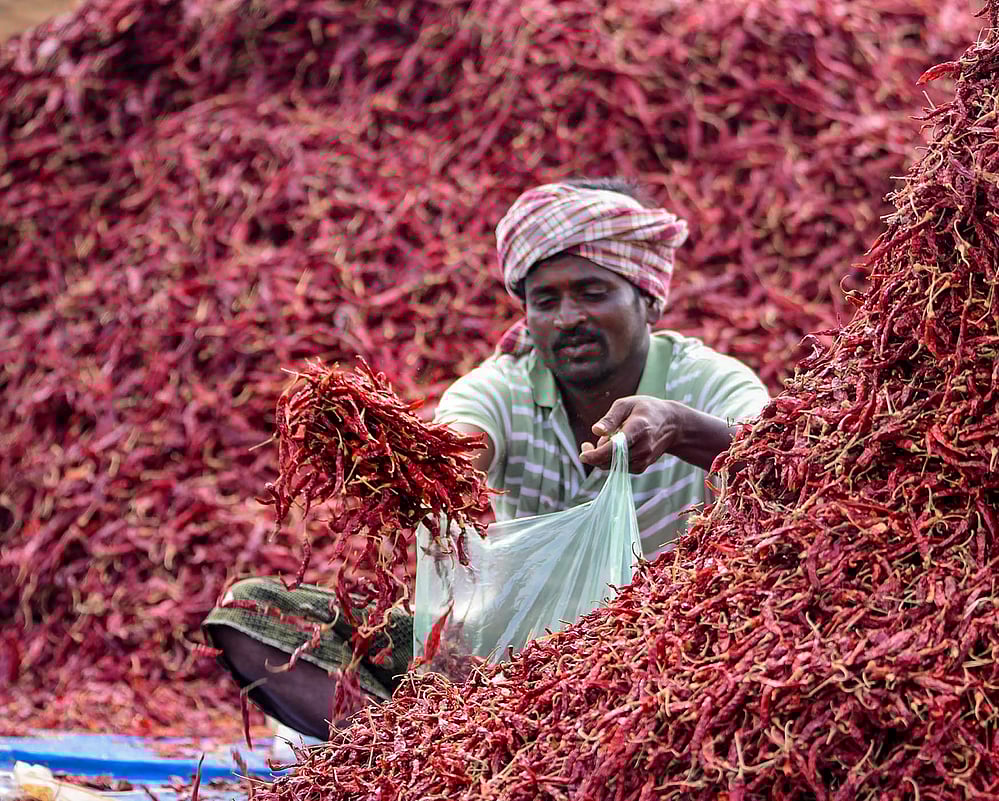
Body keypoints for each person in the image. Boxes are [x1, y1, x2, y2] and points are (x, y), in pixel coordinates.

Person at [202, 177, 769, 741]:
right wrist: (415, 460)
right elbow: (463, 440)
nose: (568, 317)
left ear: (647, 299)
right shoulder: (502, 386)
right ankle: (414, 753)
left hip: (660, 654)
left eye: (594, 293)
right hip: (507, 661)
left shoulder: (706, 380)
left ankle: (442, 751)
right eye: (546, 301)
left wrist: (677, 426)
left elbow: (785, 456)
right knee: (252, 617)